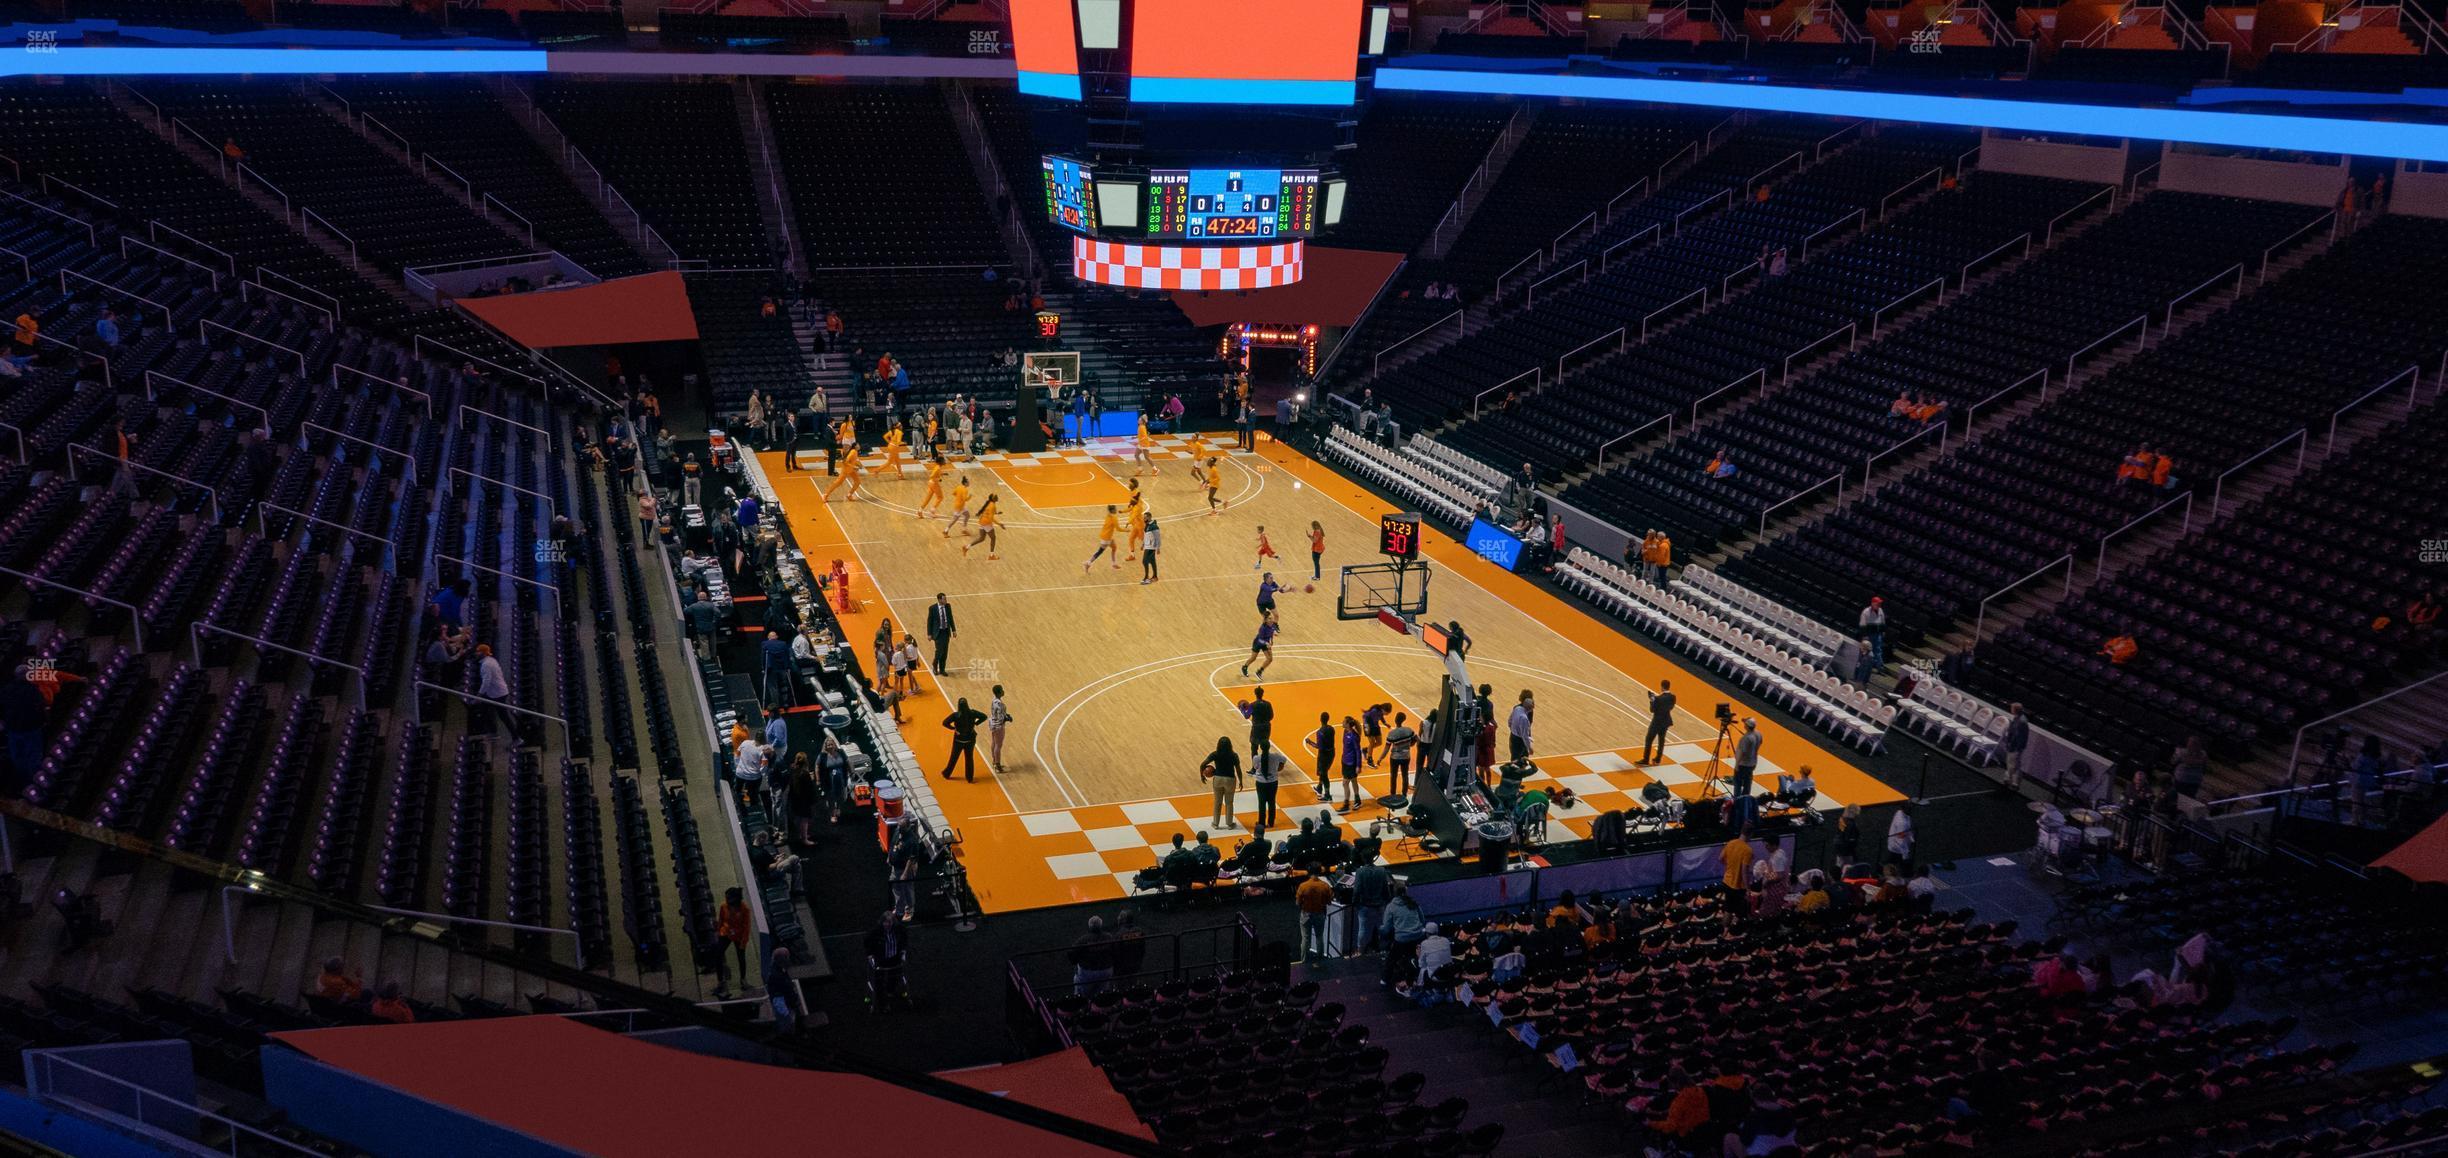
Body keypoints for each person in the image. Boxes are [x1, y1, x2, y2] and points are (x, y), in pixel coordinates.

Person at [474, 644, 520, 742]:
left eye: (478, 651)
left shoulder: (486, 664)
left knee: (503, 716)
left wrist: (479, 695)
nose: (476, 653)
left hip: (497, 693)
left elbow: (486, 681)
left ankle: (514, 737)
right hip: (497, 692)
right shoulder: (491, 660)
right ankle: (494, 732)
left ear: (483, 653)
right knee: (487, 711)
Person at [713, 887, 754, 995]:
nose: (726, 899)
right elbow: (721, 919)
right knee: (717, 955)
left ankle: (743, 980)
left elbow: (746, 927)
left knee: (741, 958)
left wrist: (743, 942)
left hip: (739, 936)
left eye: (728, 898)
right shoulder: (724, 906)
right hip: (726, 933)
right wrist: (718, 931)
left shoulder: (744, 909)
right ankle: (720, 982)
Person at [1351, 860, 1392, 954]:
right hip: (1379, 905)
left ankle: (1360, 951)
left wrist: (1355, 902)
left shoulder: (1360, 871)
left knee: (1363, 929)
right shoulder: (1382, 870)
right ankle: (1382, 949)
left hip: (1365, 906)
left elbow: (1356, 890)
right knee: (1381, 927)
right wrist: (1387, 901)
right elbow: (1385, 888)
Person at [1071, 916, 1118, 995]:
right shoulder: (1109, 937)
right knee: (1103, 992)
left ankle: (1081, 1001)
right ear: (1101, 925)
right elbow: (1115, 951)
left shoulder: (1083, 940)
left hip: (1088, 972)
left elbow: (1072, 953)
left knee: (1079, 985)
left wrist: (1077, 962)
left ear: (1089, 926)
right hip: (1106, 970)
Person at [1203, 736, 1243, 830]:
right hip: (1230, 780)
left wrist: (1202, 775)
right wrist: (1241, 781)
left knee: (1217, 802)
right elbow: (1238, 769)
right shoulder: (1234, 755)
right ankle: (1229, 824)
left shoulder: (1215, 754)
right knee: (1229, 802)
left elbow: (1203, 764)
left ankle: (1215, 824)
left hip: (1218, 779)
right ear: (1230, 745)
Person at [1296, 871, 1334, 965]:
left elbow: (1298, 903)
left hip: (1306, 914)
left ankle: (1304, 960)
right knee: (1319, 937)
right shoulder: (1325, 885)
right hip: (1319, 914)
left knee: (1305, 938)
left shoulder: (1303, 886)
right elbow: (1329, 901)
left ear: (1309, 873)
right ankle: (1320, 959)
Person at [784, 753, 818, 846]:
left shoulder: (792, 769)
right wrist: (811, 779)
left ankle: (801, 834)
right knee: (804, 819)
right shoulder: (804, 773)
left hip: (794, 797)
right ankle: (804, 839)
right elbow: (809, 788)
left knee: (798, 817)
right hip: (803, 799)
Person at [1642, 679, 1676, 764]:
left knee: (1649, 739)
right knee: (1661, 740)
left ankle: (1646, 759)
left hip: (1657, 722)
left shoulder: (1658, 699)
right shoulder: (1673, 697)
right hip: (1666, 721)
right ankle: (1658, 758)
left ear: (1662, 687)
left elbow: (1652, 710)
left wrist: (1651, 701)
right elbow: (1671, 707)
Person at [1385, 712, 1418, 796]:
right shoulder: (1409, 730)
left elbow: (1386, 748)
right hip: (1406, 756)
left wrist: (1380, 758)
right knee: (1405, 775)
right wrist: (1411, 744)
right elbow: (1416, 738)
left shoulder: (1392, 733)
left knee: (1393, 776)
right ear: (1404, 719)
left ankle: (1393, 794)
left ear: (1395, 720)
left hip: (1395, 758)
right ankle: (1404, 794)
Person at [2000, 703, 2032, 790]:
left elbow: (2019, 736)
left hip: (2016, 746)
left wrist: (2016, 747)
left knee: (2014, 765)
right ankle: (2009, 780)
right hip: (2013, 745)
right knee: (2011, 763)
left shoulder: (2021, 721)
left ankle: (2014, 782)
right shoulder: (2017, 718)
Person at [1241, 611, 1280, 681]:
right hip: (1258, 643)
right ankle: (1245, 666)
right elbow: (1260, 639)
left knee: (1270, 659)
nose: (1271, 620)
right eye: (1269, 619)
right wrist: (1267, 643)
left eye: (1271, 618)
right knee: (1253, 658)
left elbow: (1272, 632)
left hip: (1266, 643)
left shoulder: (1273, 625)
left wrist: (1272, 638)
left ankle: (1259, 672)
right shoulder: (1262, 628)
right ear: (1265, 620)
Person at [924, 592, 957, 675]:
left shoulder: (948, 606)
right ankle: (935, 664)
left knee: (945, 652)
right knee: (939, 651)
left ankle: (942, 669)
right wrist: (929, 633)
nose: (946, 600)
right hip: (937, 633)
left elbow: (950, 618)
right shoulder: (932, 608)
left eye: (945, 598)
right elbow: (929, 621)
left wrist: (953, 630)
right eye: (944, 599)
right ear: (939, 600)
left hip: (946, 632)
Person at [1084, 504, 1123, 572]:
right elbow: (1118, 529)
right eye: (1115, 509)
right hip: (1107, 538)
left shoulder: (1108, 515)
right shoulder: (1114, 518)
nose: (1116, 510)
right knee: (1100, 552)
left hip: (1106, 536)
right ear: (1113, 510)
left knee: (1114, 548)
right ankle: (1088, 563)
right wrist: (1127, 530)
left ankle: (1114, 564)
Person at [1243, 685, 1275, 769]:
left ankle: (1254, 768)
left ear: (1255, 694)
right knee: (1265, 747)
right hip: (1266, 727)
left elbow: (1246, 716)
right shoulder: (1268, 704)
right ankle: (1266, 766)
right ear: (1262, 694)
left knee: (1254, 748)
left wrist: (1242, 709)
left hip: (1257, 727)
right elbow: (1271, 716)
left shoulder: (1252, 705)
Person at [1730, 716, 1762, 799]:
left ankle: (1737, 799)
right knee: (1748, 782)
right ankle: (1745, 798)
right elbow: (1760, 743)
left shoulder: (1746, 738)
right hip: (1753, 762)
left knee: (1738, 783)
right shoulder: (1758, 734)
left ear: (1747, 726)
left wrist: (1737, 764)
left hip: (1743, 764)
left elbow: (1742, 753)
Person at [962, 492, 1001, 560]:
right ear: (993, 499)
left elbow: (989, 512)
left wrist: (997, 513)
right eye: (995, 495)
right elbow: (991, 518)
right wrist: (1000, 524)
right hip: (986, 523)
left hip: (981, 521)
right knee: (993, 538)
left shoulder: (990, 504)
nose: (997, 496)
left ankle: (966, 547)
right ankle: (991, 556)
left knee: (981, 538)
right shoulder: (992, 505)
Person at [1338, 715, 1364, 810]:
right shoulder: (1345, 731)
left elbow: (1358, 751)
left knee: (1345, 783)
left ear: (1348, 724)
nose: (1342, 722)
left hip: (1351, 763)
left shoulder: (1353, 736)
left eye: (1344, 721)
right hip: (1345, 760)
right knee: (1353, 780)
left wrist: (1358, 765)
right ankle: (1358, 800)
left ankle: (1346, 804)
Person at [1507, 690, 1535, 764]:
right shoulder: (1525, 716)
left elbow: (1509, 721)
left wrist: (1513, 729)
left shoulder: (1516, 708)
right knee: (1522, 759)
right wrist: (1529, 747)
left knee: (1514, 757)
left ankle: (1513, 772)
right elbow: (1525, 733)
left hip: (1514, 735)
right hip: (1521, 738)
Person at [1860, 597, 1888, 670]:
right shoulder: (1866, 612)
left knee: (1878, 650)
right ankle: (1865, 666)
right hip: (1869, 635)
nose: (1879, 604)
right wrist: (1865, 635)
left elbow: (1882, 621)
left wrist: (1883, 630)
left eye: (1880, 603)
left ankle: (1880, 666)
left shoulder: (1880, 610)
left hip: (1877, 634)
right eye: (1878, 603)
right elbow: (1863, 624)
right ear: (1873, 603)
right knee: (1868, 651)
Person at [1139, 517, 1161, 584]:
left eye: (1145, 518)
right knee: (1152, 561)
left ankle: (1146, 578)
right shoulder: (1147, 526)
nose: (1144, 519)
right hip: (1147, 546)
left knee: (1144, 561)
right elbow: (1146, 536)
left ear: (1149, 517)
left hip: (1151, 547)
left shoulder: (1154, 526)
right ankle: (1155, 577)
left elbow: (1157, 537)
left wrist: (1158, 547)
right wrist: (1143, 544)